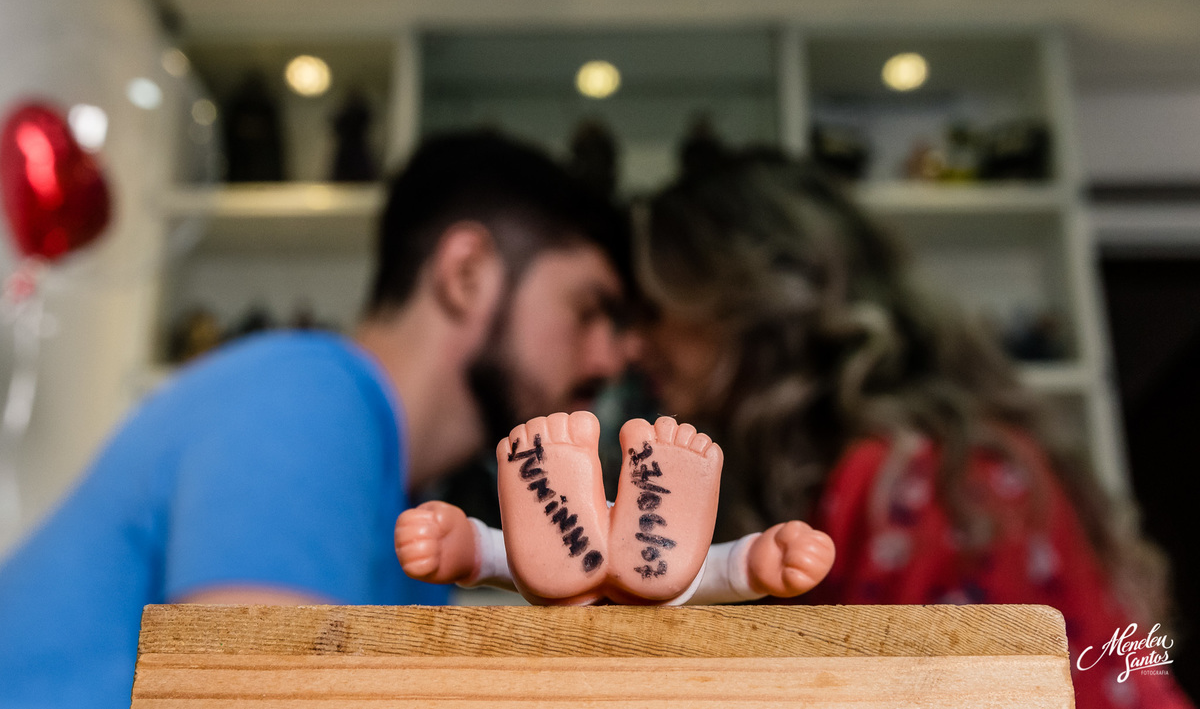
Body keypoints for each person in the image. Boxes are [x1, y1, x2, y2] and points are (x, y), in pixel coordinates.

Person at [0, 131, 637, 709]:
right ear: (466, 274)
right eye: (588, 311)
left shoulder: (410, 527)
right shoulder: (311, 399)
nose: (613, 357)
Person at [630, 148, 1194, 709]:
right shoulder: (896, 470)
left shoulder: (924, 480)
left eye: (653, 309)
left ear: (742, 303)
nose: (634, 346)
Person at [395, 411, 836, 605]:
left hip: (569, 590)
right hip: (656, 591)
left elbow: (494, 558)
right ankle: (643, 534)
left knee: (533, 567)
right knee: (684, 578)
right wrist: (760, 566)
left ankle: (610, 544)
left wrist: (460, 550)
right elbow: (723, 573)